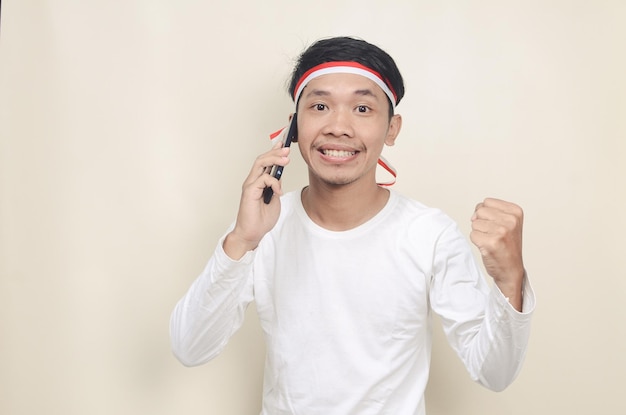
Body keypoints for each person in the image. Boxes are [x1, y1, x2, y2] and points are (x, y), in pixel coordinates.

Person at [170, 36, 535, 415]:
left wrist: (510, 280)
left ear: (391, 129)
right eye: (320, 106)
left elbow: (494, 372)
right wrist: (242, 241)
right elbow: (189, 347)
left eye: (362, 108)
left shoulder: (429, 234)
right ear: (293, 127)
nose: (338, 127)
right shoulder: (263, 227)